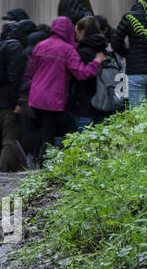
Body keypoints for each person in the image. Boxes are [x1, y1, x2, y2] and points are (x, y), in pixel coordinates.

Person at [17, 16, 106, 165]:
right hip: (54, 98)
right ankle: (44, 160)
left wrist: (23, 95)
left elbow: (29, 72)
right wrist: (96, 62)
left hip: (36, 96)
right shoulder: (68, 50)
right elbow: (81, 73)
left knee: (45, 129)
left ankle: (34, 154)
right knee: (52, 130)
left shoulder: (40, 45)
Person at [0, 21, 29, 172]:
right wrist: (18, 102)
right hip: (8, 102)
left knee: (2, 137)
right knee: (10, 138)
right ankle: (3, 170)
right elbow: (15, 77)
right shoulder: (15, 48)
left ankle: (5, 167)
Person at [68, 16, 109, 131]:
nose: (76, 36)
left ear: (82, 32)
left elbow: (80, 76)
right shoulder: (104, 50)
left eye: (77, 32)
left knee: (85, 144)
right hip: (105, 103)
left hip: (84, 105)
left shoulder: (81, 52)